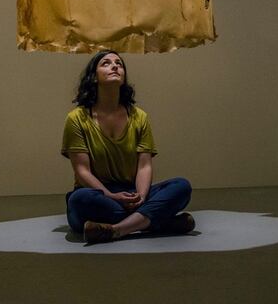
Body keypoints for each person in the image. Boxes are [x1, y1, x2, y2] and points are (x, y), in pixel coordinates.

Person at [61, 50, 195, 244]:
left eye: (119, 64)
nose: (115, 66)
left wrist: (140, 196)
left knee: (181, 187)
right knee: (79, 200)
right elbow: (82, 171)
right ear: (94, 77)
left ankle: (116, 230)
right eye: (106, 63)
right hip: (100, 195)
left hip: (133, 193)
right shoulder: (77, 118)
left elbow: (144, 166)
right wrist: (112, 195)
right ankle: (156, 222)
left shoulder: (139, 116)